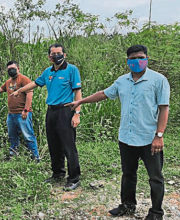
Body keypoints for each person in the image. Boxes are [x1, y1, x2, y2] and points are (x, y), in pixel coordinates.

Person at [66, 45, 169, 220]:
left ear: (147, 58)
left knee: (155, 177)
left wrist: (159, 135)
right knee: (128, 174)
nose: (137, 61)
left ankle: (156, 212)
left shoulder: (158, 80)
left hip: (149, 139)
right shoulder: (122, 81)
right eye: (133, 58)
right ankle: (127, 206)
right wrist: (81, 101)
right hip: (126, 138)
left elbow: (164, 108)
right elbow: (103, 94)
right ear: (128, 61)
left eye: (141, 57)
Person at [11, 43, 82, 191]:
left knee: (69, 146)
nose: (56, 56)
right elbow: (35, 84)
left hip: (65, 110)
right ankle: (58, 173)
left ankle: (74, 178)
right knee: (53, 144)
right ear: (50, 57)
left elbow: (78, 93)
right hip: (51, 112)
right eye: (53, 54)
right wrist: (19, 91)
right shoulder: (47, 72)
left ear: (64, 54)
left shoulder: (71, 70)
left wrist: (77, 113)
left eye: (59, 53)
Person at [0, 61, 40, 161]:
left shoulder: (23, 79)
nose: (11, 70)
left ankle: (35, 158)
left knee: (28, 135)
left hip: (22, 113)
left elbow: (29, 94)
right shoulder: (8, 82)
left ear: (18, 68)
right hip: (11, 114)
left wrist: (26, 110)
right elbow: (0, 89)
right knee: (12, 136)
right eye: (9, 69)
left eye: (13, 68)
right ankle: (13, 155)